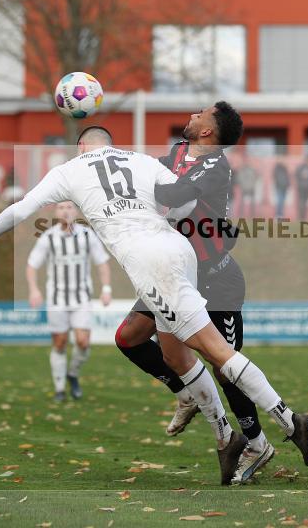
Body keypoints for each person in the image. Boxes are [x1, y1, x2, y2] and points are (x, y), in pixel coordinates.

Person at [0, 125, 308, 485]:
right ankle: (225, 438)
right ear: (112, 146)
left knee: (215, 351)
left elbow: (21, 209)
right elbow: (184, 202)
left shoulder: (68, 170)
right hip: (178, 249)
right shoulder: (140, 160)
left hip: (150, 264)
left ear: (81, 147)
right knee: (174, 355)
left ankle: (288, 420)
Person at [114, 103, 274, 484]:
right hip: (175, 277)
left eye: (200, 113)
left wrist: (144, 189)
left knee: (225, 369)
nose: (192, 114)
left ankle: (256, 442)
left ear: (208, 131)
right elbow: (148, 172)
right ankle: (185, 390)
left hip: (216, 280)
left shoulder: (215, 165)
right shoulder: (176, 152)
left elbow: (175, 192)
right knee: (129, 338)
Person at [28, 201, 112, 402]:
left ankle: (72, 374)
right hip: (57, 299)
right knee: (60, 343)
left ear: (75, 211)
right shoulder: (48, 237)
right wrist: (34, 290)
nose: (65, 211)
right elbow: (32, 265)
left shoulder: (86, 234)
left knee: (83, 342)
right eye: (61, 208)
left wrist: (106, 289)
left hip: (81, 297)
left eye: (69, 207)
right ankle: (59, 389)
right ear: (56, 212)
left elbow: (102, 262)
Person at [295, 155, 308, 220]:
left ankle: (301, 216)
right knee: (304, 202)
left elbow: (296, 176)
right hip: (307, 187)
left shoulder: (300, 167)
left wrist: (299, 184)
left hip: (302, 187)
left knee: (302, 201)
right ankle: (302, 216)